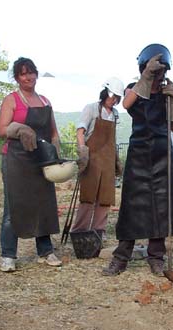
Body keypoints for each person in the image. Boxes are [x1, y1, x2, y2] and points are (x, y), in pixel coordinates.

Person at [102, 44, 173, 276]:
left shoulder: (167, 92)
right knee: (132, 205)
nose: (158, 74)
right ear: (144, 67)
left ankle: (156, 256)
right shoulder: (134, 89)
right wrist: (146, 79)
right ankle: (121, 257)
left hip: (162, 152)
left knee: (161, 206)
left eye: (161, 71)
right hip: (139, 152)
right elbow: (127, 104)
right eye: (154, 70)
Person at [0, 57, 62, 272]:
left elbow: (53, 132)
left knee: (43, 204)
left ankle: (45, 251)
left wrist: (56, 153)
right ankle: (8, 255)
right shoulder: (12, 100)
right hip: (16, 159)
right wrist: (19, 129)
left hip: (41, 158)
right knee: (13, 206)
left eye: (31, 72)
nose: (28, 77)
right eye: (23, 74)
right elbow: (2, 130)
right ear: (17, 77)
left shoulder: (44, 101)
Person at [72, 77, 125, 241]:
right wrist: (83, 150)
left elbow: (112, 140)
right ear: (105, 93)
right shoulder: (92, 109)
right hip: (92, 159)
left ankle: (98, 233)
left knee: (105, 199)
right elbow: (80, 131)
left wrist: (116, 160)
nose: (114, 99)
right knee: (88, 197)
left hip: (108, 161)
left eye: (117, 97)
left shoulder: (115, 115)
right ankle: (80, 233)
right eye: (112, 95)